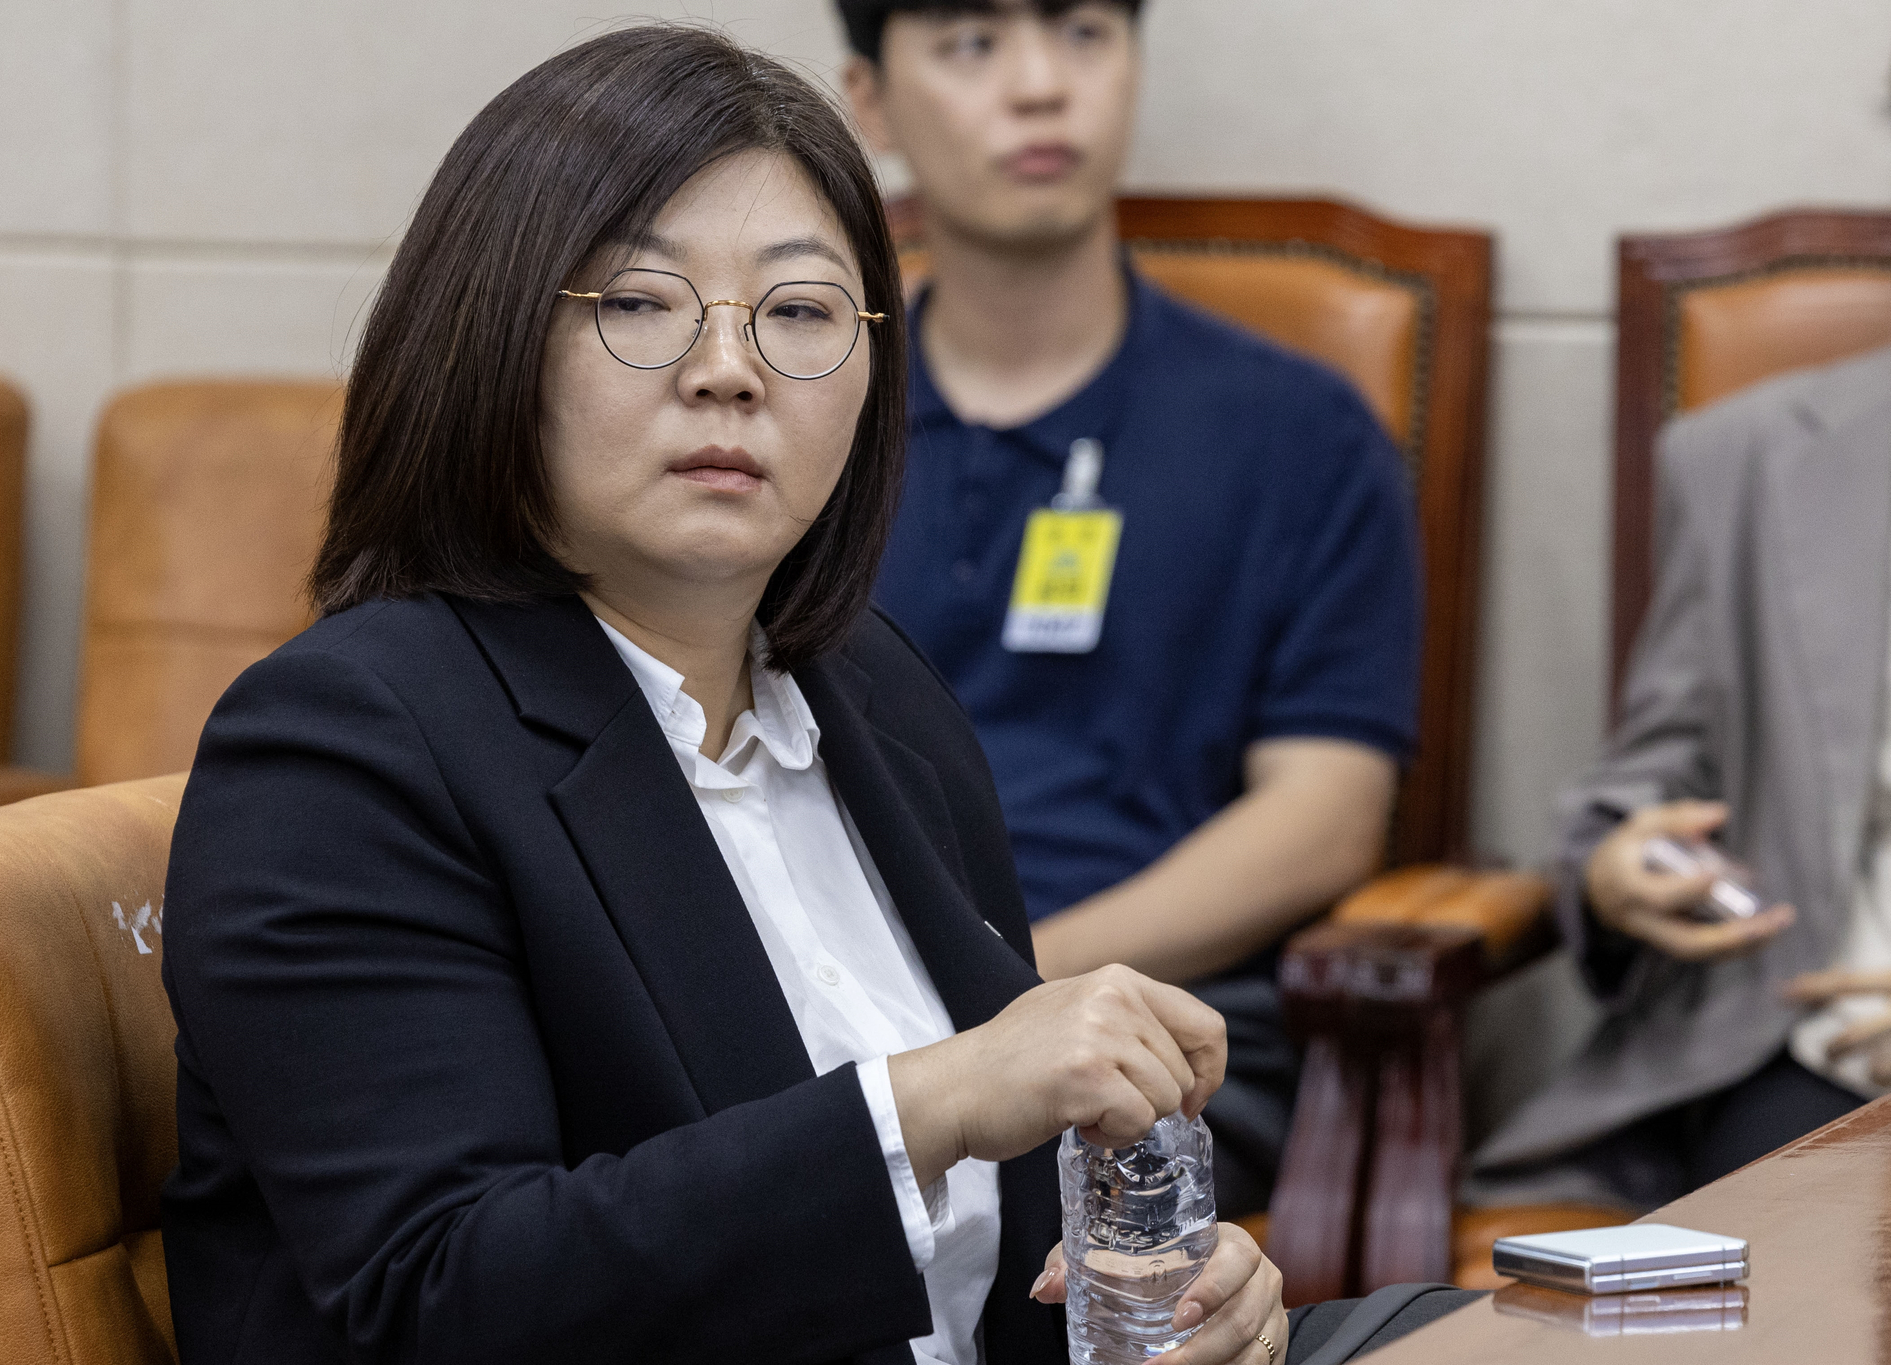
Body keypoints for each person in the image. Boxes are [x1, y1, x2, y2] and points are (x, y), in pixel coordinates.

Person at [159, 25, 1293, 1365]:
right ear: (491, 337)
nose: (729, 368)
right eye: (641, 303)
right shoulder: (346, 745)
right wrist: (931, 1097)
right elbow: (444, 1295)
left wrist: (1173, 1306)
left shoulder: (877, 698)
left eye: (802, 311)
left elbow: (993, 1265)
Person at [839, 0, 1421, 1217]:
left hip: (1163, 1023)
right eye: (969, 42)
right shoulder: (805, 408)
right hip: (835, 1002)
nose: (1040, 86)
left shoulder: (1295, 431)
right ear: (869, 102)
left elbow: (1321, 819)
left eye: (1085, 32)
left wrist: (1012, 998)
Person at [1472, 342, 1891, 1210]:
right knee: (1783, 1279)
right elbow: (1664, 764)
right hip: (1819, 1040)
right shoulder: (1755, 452)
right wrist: (1615, 869)